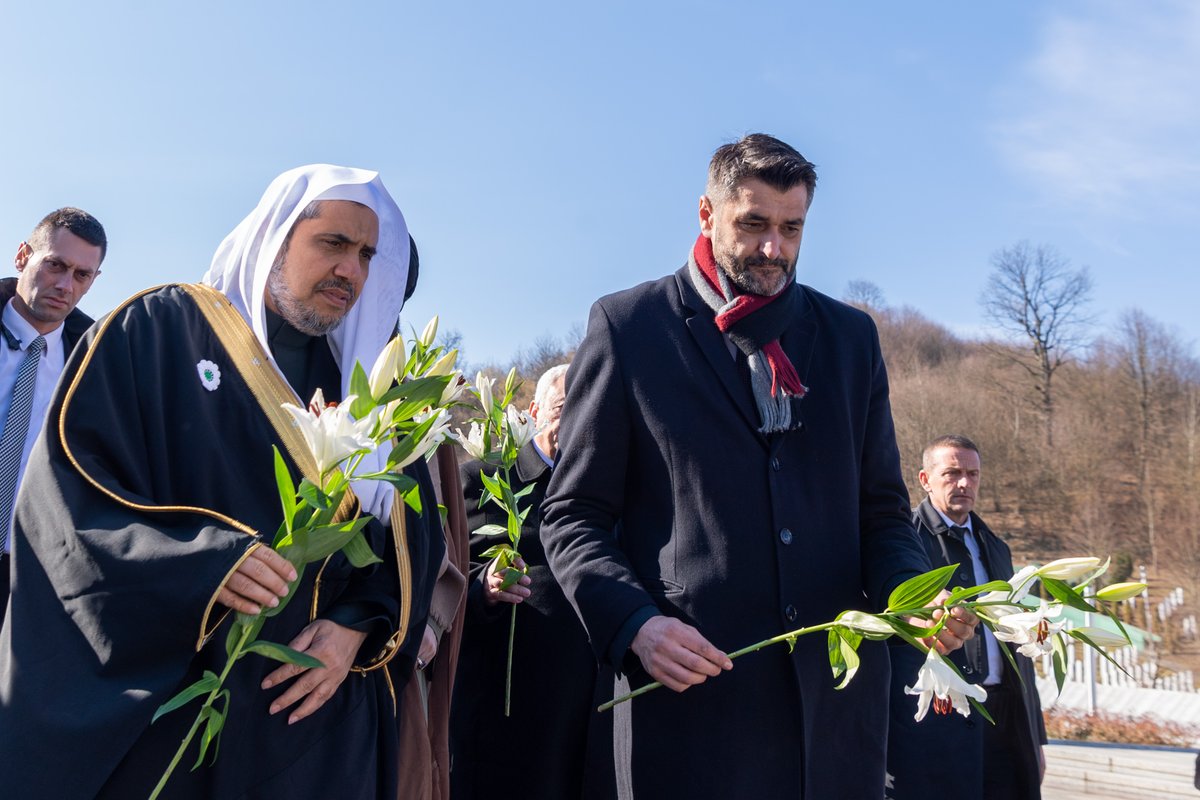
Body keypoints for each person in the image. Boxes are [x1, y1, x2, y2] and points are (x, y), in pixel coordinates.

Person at [540, 133, 975, 798]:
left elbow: (882, 514)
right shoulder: (630, 328)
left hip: (836, 723)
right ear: (708, 215)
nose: (774, 248)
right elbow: (574, 516)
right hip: (689, 716)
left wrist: (911, 599)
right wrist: (635, 625)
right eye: (754, 224)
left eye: (791, 228)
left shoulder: (850, 340)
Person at [0, 165, 445, 799]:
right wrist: (204, 564)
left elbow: (411, 540)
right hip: (181, 715)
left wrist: (355, 627)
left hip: (317, 726)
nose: (353, 270)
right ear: (274, 238)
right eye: (334, 244)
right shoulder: (157, 332)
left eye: (367, 254)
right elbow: (69, 505)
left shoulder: (372, 391)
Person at [450, 363, 602, 799]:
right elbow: (443, 578)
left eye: (588, 409)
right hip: (505, 715)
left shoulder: (610, 489)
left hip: (588, 710)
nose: (574, 420)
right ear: (534, 410)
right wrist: (485, 586)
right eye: (561, 408)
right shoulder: (483, 479)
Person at [887, 434, 1047, 799]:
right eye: (952, 473)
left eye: (973, 474)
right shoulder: (900, 546)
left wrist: (1035, 738)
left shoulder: (995, 545)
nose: (964, 483)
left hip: (1005, 721)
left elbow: (1021, 645)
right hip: (933, 726)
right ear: (925, 479)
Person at [0, 207, 105, 626]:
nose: (65, 284)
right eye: (55, 265)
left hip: (32, 581)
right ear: (23, 256)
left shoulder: (98, 364)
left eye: (82, 275)